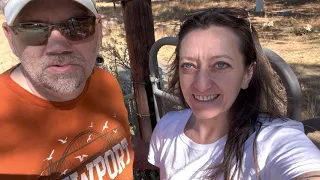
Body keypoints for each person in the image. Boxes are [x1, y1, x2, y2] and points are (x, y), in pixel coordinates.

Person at [148, 8, 320, 180]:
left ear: (247, 73)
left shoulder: (274, 140)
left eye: (221, 65)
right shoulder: (167, 127)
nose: (201, 85)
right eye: (188, 65)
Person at [0, 0, 134, 179]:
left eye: (78, 24)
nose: (59, 48)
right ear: (10, 38)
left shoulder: (106, 83)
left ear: (99, 30)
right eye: (33, 28)